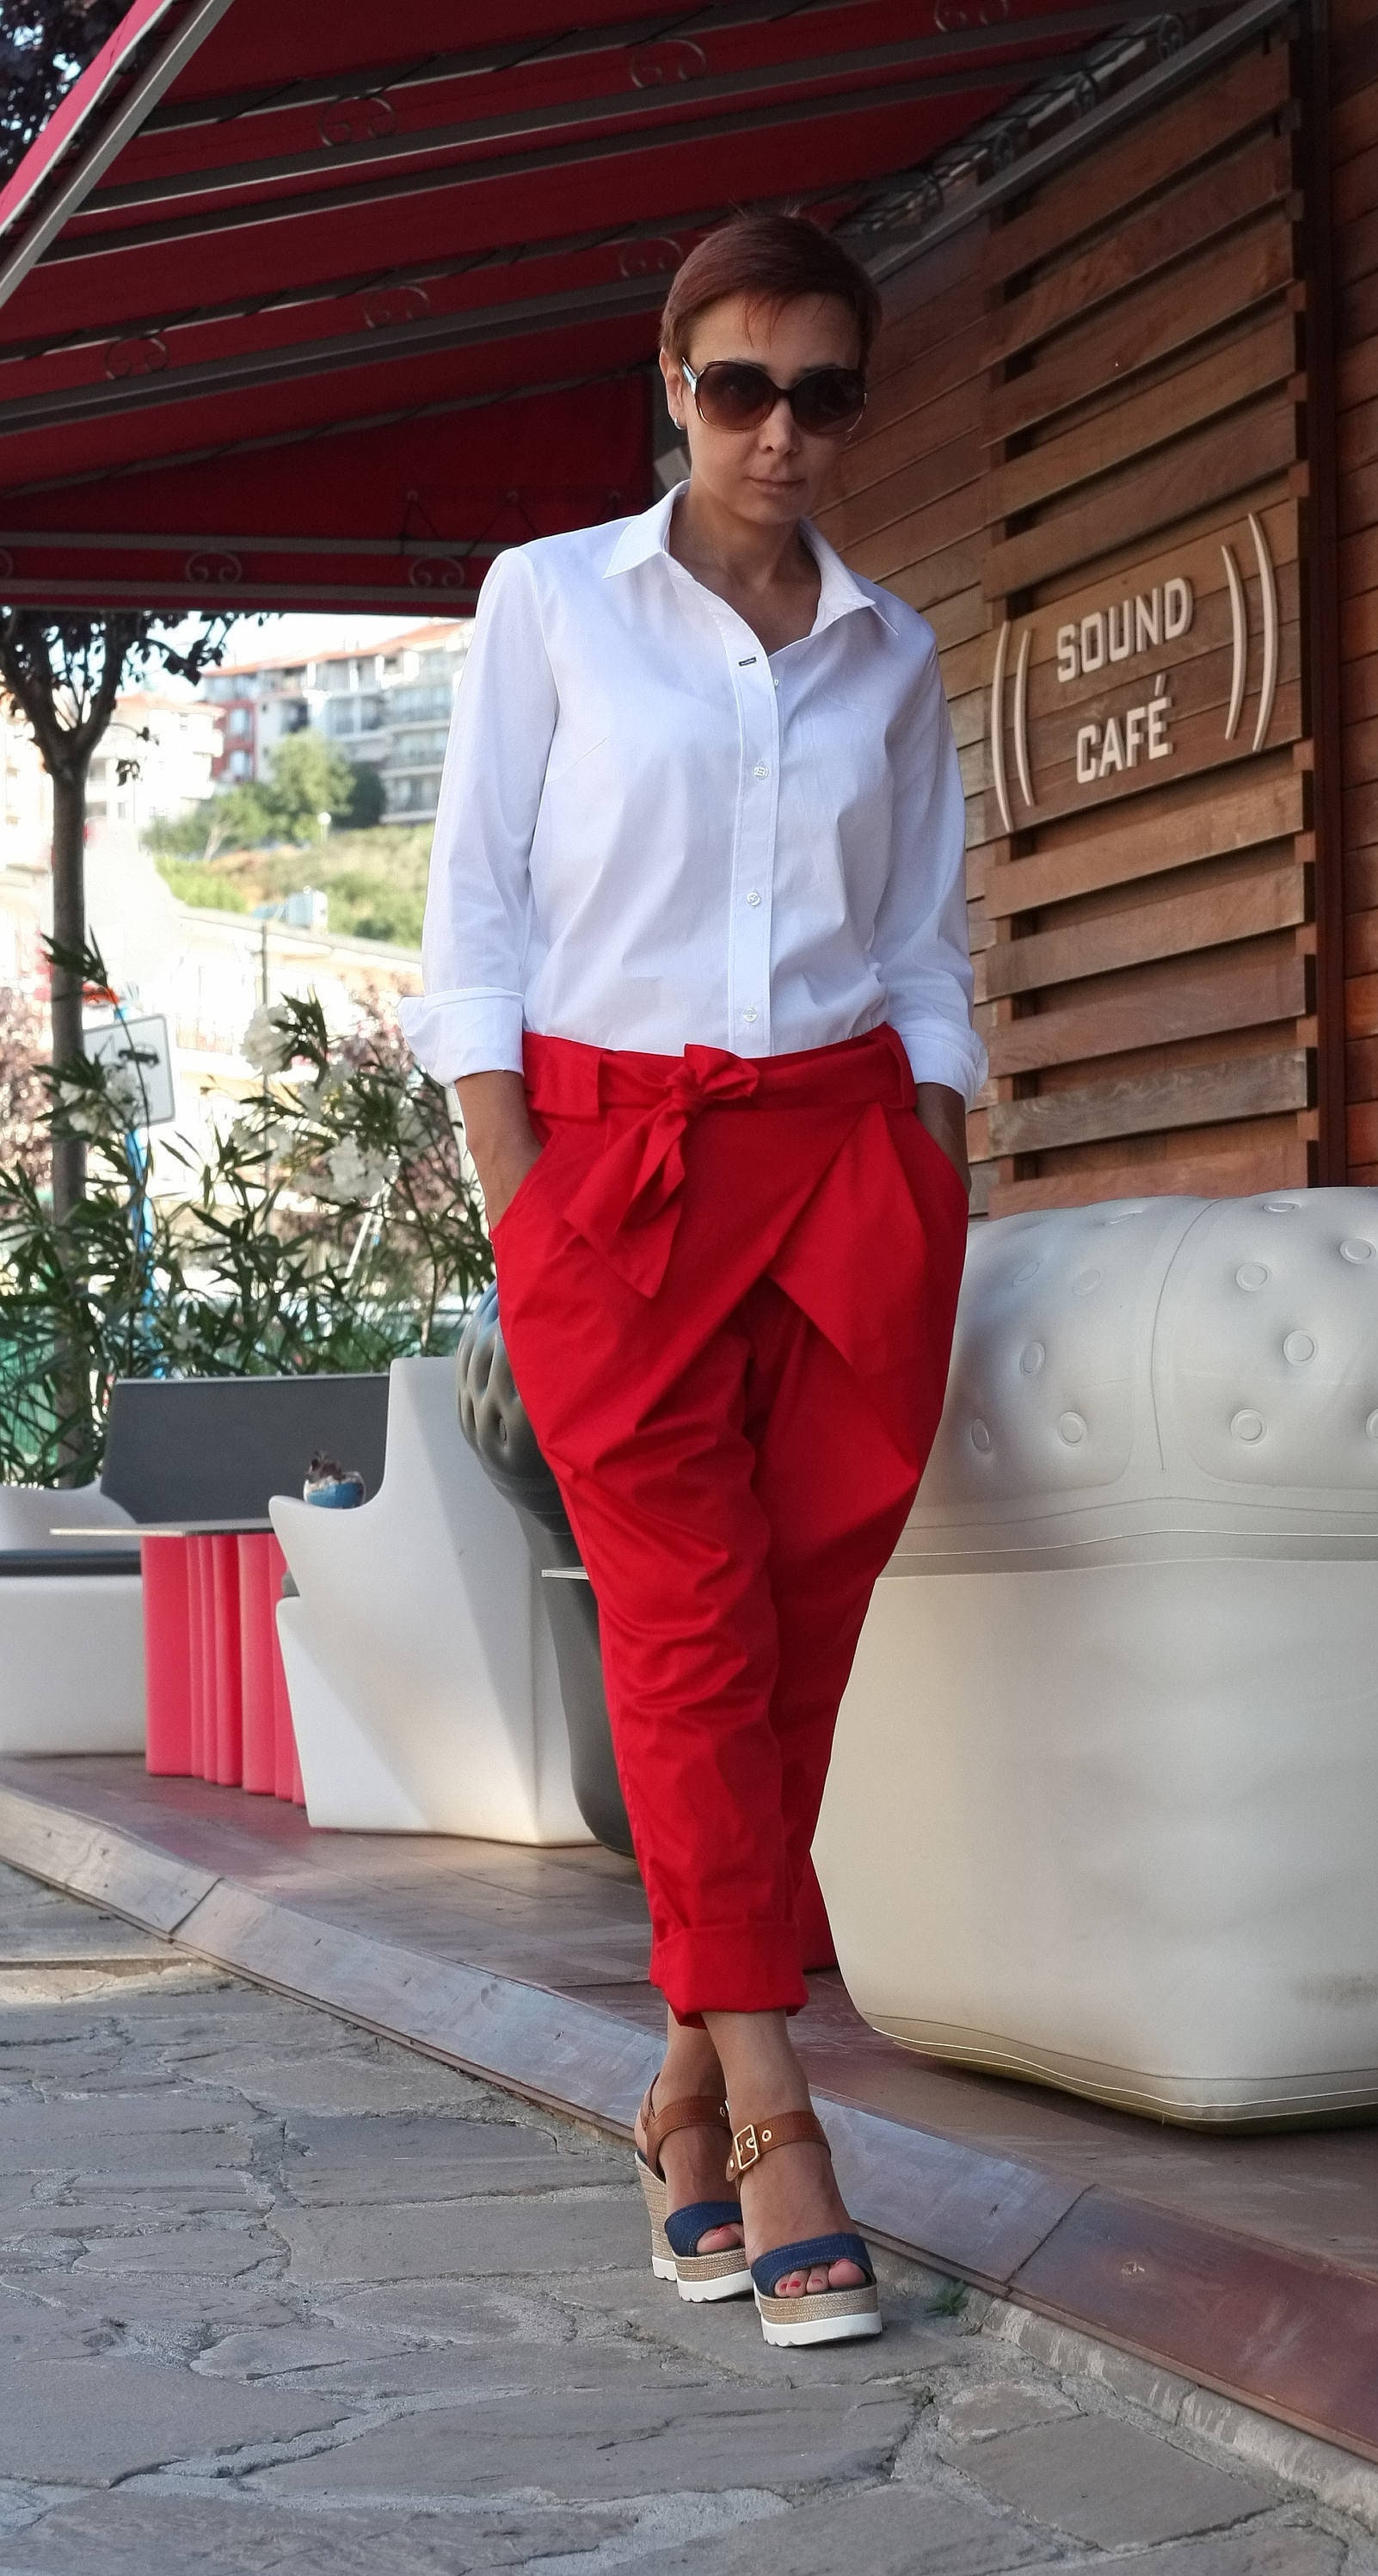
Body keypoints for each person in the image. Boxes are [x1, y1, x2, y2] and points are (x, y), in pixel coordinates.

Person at [402, 212, 985, 2349]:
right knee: (681, 1627)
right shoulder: (550, 603)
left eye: (824, 392)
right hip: (616, 1185)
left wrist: (936, 1162)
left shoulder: (892, 653)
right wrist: (521, 1197)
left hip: (847, 1178)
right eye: (741, 385)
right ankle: (777, 2111)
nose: (781, 432)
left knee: (797, 1640)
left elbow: (923, 945)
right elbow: (476, 924)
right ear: (671, 380)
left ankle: (674, 2095)